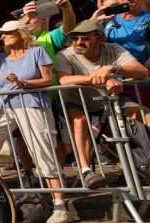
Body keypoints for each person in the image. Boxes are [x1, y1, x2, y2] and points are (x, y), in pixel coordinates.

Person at [0, 21, 70, 223]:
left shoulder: (37, 51)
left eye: (7, 33)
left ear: (21, 33)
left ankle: (60, 205)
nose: (3, 37)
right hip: (4, 107)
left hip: (32, 105)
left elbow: (47, 80)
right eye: (2, 34)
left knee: (43, 152)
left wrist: (23, 83)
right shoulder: (0, 58)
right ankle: (1, 192)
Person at [56, 20, 149, 189]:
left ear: (101, 39)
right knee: (80, 120)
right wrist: (98, 79)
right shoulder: (65, 54)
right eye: (75, 38)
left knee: (144, 113)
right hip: (76, 101)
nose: (78, 42)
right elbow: (64, 79)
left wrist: (112, 68)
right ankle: (86, 172)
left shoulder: (113, 49)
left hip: (108, 101)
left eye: (85, 38)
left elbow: (142, 71)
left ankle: (139, 168)